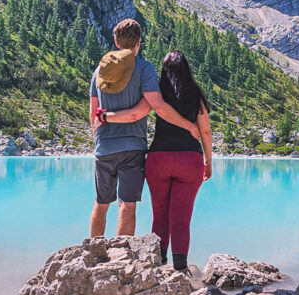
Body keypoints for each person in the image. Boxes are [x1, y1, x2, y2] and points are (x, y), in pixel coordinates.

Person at [89, 19, 198, 239]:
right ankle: (121, 260)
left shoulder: (99, 70)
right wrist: (189, 126)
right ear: (139, 42)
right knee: (127, 205)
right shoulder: (144, 68)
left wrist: (100, 136)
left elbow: (94, 113)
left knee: (101, 203)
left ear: (116, 41)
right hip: (132, 148)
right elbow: (156, 107)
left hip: (104, 148)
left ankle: (93, 253)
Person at [143, 51, 213, 270]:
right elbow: (206, 132)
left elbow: (139, 113)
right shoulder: (195, 94)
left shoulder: (157, 93)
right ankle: (180, 269)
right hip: (189, 160)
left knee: (159, 214)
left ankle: (158, 265)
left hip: (158, 159)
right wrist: (208, 162)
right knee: (181, 218)